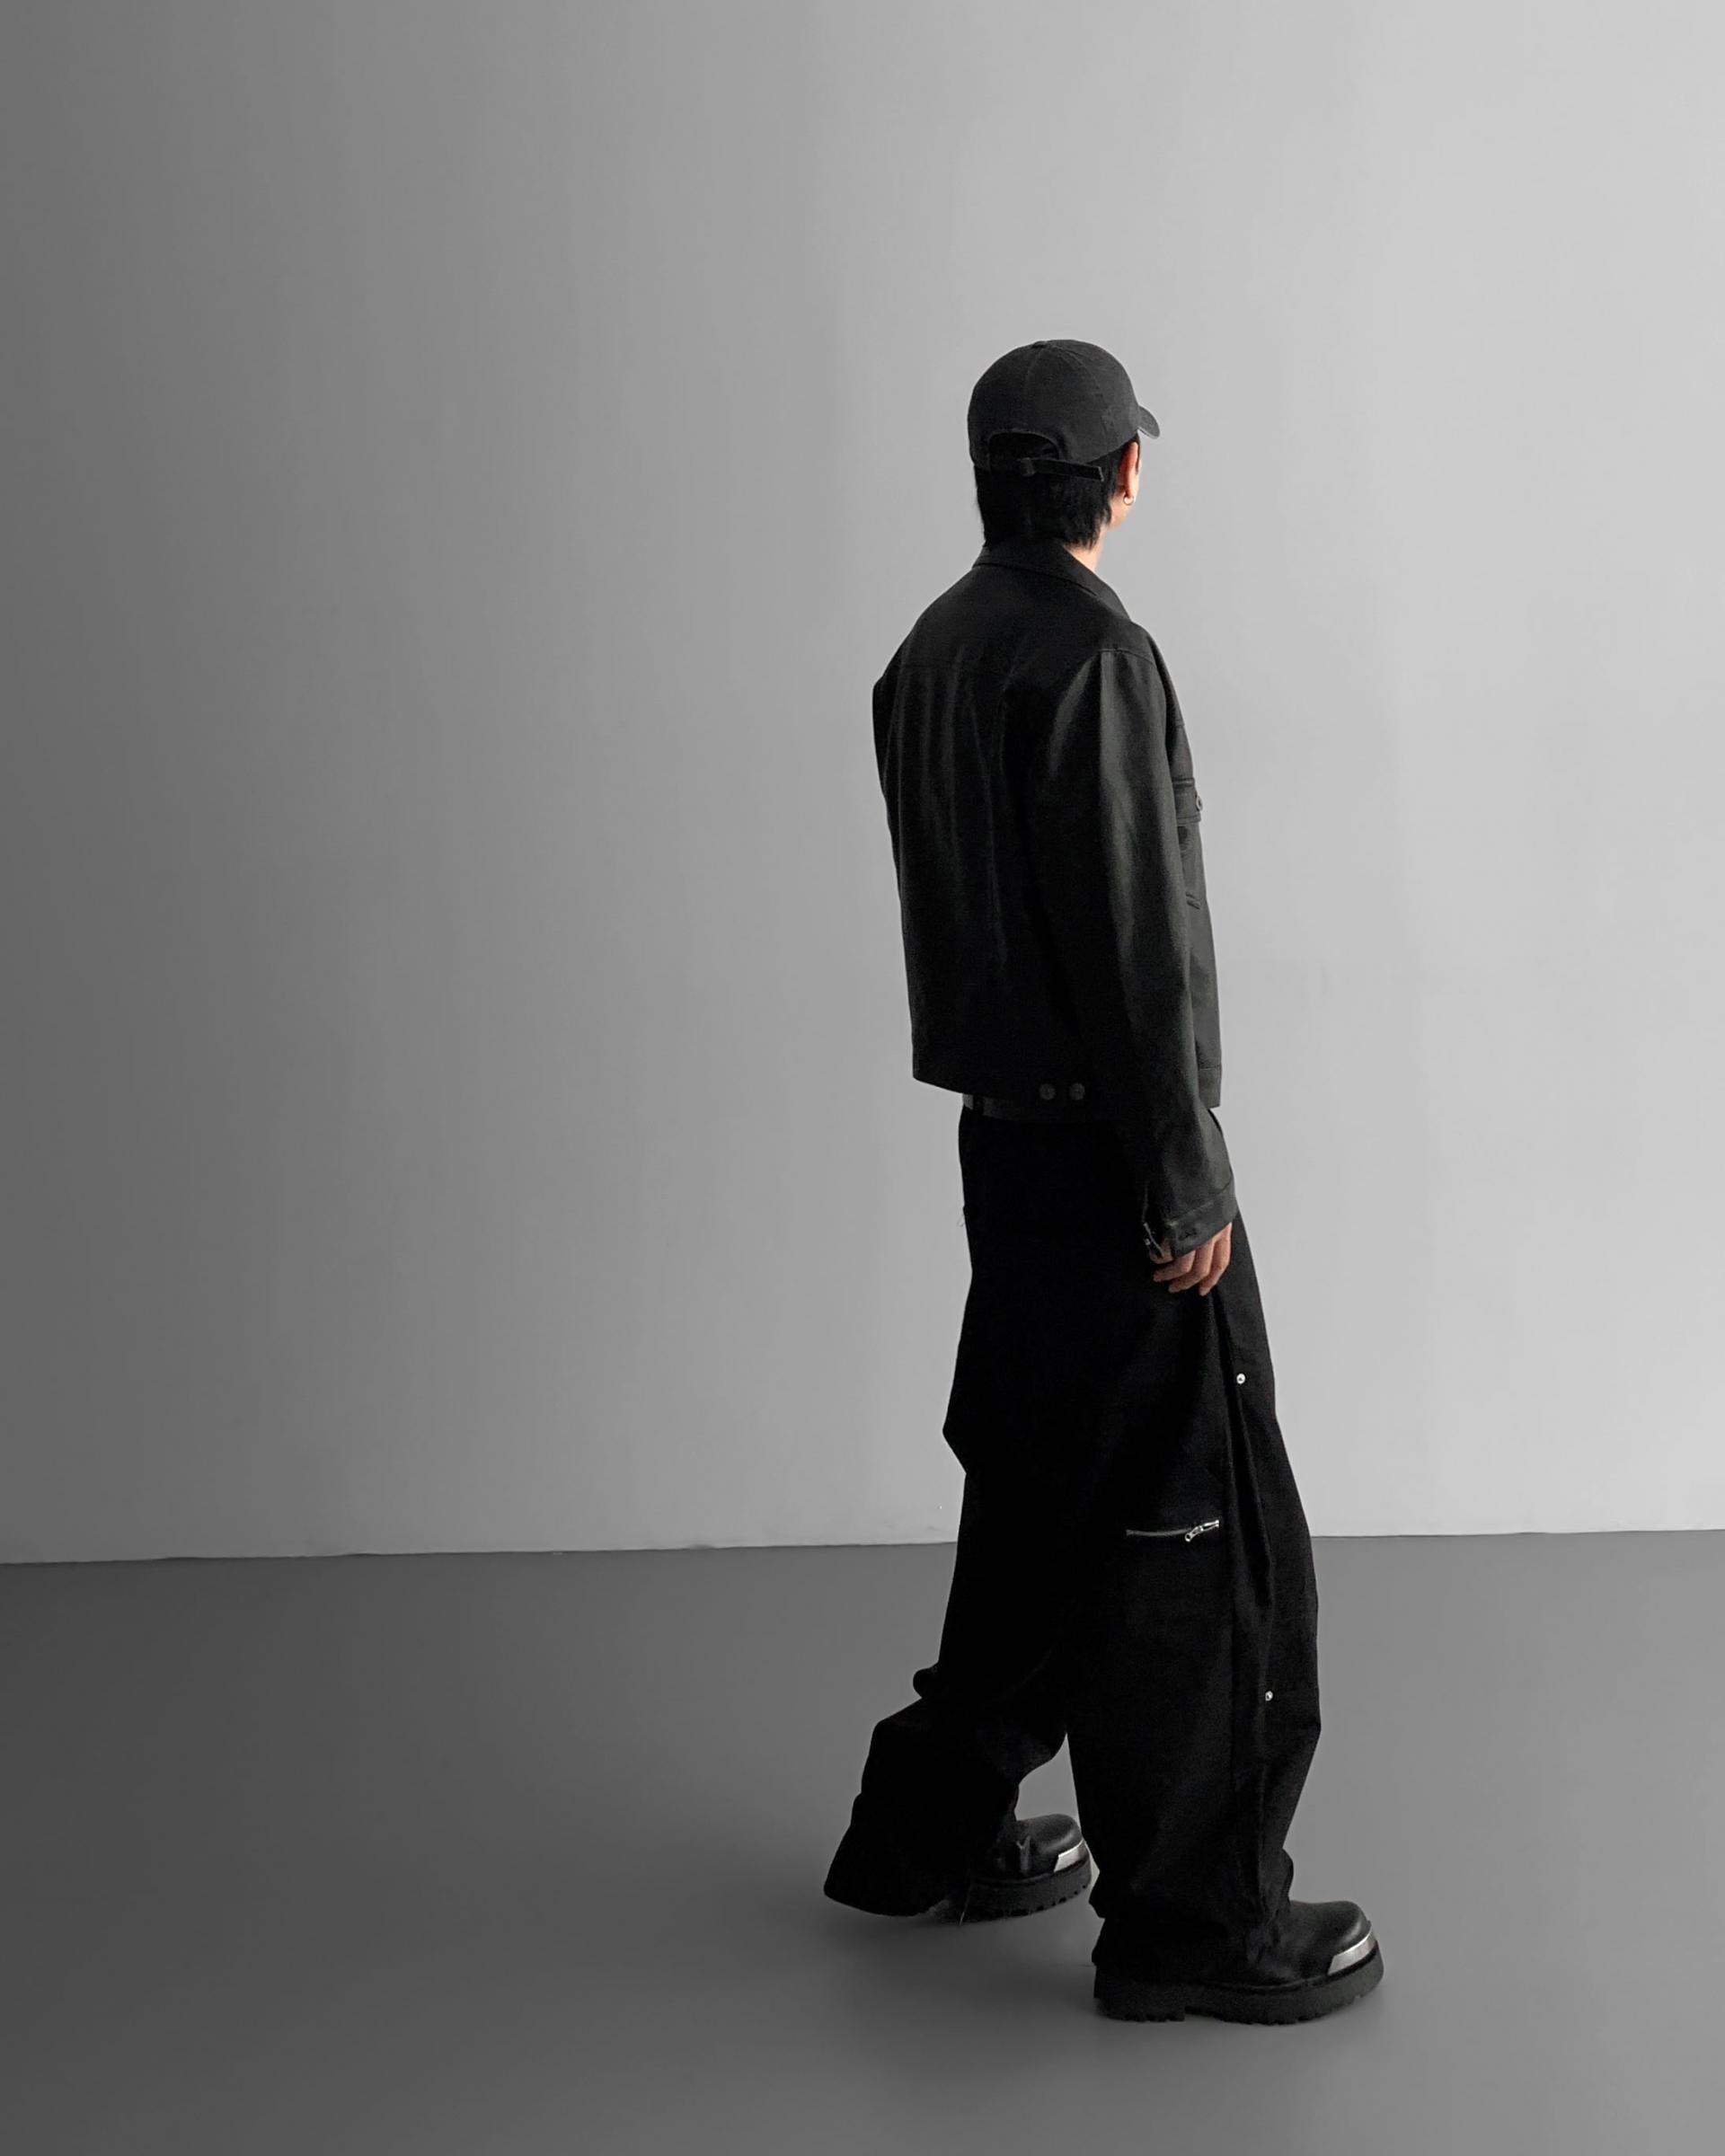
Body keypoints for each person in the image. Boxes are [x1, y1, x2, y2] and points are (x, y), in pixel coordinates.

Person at [821, 340, 1384, 2026]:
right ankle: (1194, 1927)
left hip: (1005, 1153)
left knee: (1034, 1497)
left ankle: (922, 1836)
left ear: (988, 477)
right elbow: (1136, 943)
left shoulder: (928, 651)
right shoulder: (1096, 657)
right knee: (1198, 1539)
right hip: (1116, 1155)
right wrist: (1185, 1182)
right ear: (1119, 475)